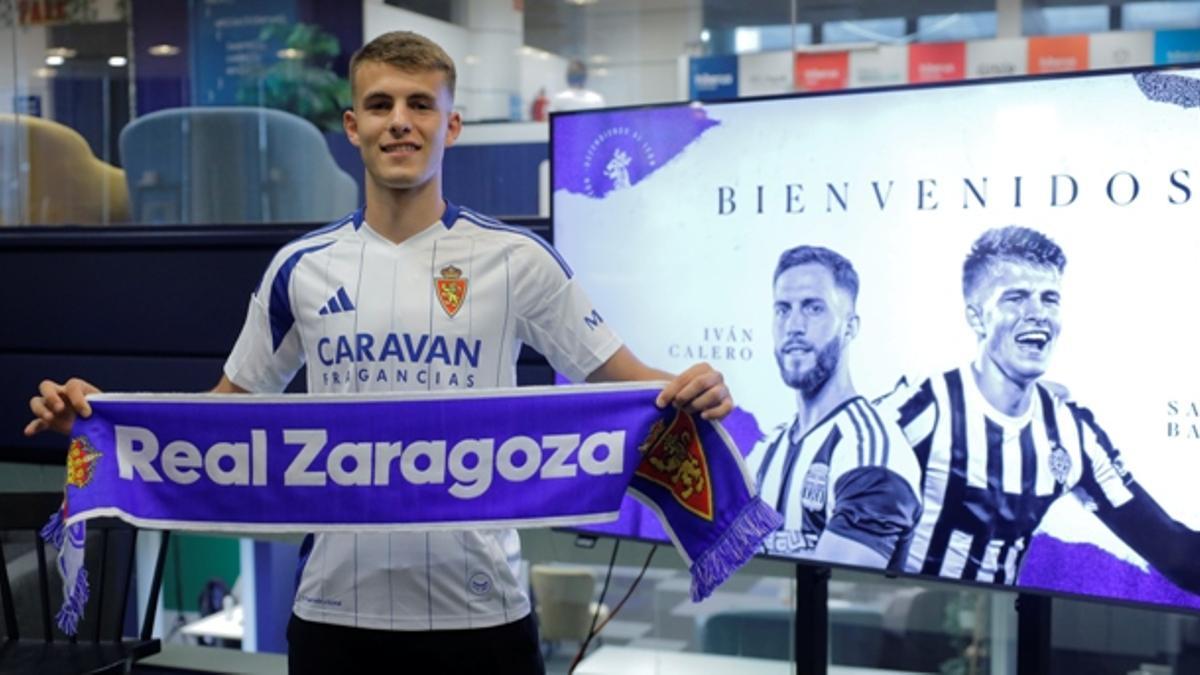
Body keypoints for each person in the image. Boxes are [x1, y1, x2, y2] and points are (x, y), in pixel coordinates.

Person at [24, 31, 732, 675]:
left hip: (484, 615)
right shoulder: (299, 269)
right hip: (335, 616)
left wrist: (695, 386)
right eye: (382, 102)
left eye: (421, 104)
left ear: (451, 125)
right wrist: (99, 417)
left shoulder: (520, 262)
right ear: (353, 126)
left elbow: (638, 387)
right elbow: (217, 426)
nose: (401, 119)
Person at [877, 226, 1200, 592]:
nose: (1037, 314)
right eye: (1015, 298)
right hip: (901, 622)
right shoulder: (923, 408)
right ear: (976, 317)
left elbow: (1177, 554)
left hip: (997, 632)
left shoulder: (1072, 433)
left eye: (1049, 299)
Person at [747, 245, 920, 569]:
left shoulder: (871, 455)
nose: (794, 326)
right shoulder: (765, 452)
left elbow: (830, 593)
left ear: (850, 327)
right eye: (783, 309)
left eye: (814, 308)